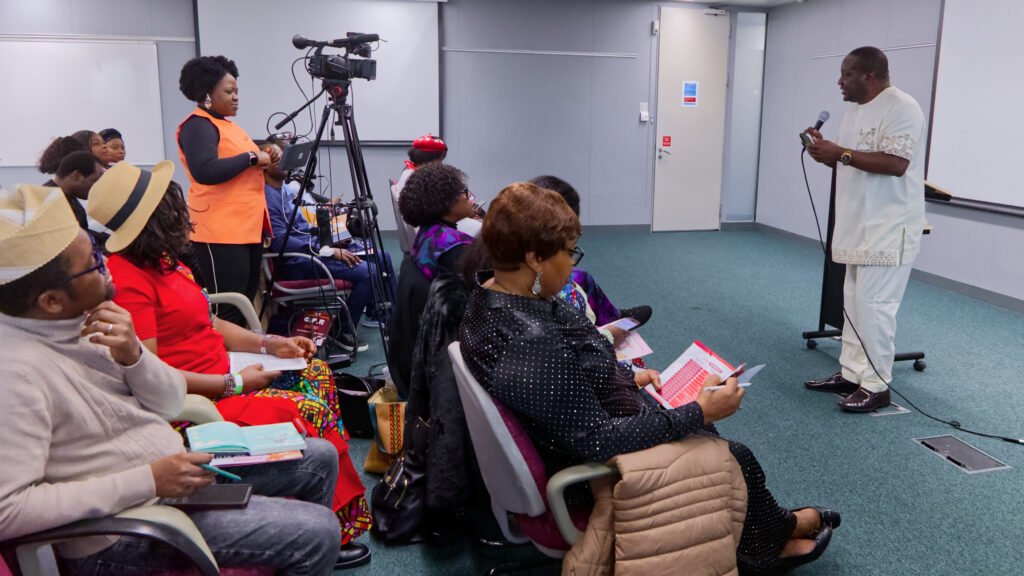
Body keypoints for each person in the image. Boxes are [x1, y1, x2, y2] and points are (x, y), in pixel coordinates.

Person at [459, 182, 840, 574]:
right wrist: (699, 411)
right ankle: (770, 543)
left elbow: (567, 375)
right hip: (588, 470)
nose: (572, 264)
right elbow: (597, 439)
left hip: (583, 422)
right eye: (568, 252)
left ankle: (771, 527)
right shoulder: (530, 341)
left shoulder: (495, 295)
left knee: (708, 435)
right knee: (731, 453)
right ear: (534, 258)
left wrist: (627, 377)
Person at [0, 184, 350, 575]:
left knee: (318, 458)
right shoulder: (15, 373)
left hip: (166, 477)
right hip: (121, 532)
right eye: (94, 263)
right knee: (318, 532)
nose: (106, 266)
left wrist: (134, 357)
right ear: (50, 300)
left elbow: (168, 401)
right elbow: (8, 512)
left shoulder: (85, 320)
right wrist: (149, 480)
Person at [84, 161, 373, 565]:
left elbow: (211, 321)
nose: (185, 213)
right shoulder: (129, 280)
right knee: (309, 408)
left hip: (225, 373)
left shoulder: (165, 261)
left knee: (318, 373)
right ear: (158, 218)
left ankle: (326, 517)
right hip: (196, 404)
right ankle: (322, 533)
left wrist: (270, 343)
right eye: (174, 207)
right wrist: (234, 383)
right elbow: (149, 375)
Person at [803, 46, 926, 412]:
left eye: (847, 74)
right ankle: (852, 373)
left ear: (869, 76)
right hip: (856, 224)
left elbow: (896, 164)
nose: (839, 81)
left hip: (888, 228)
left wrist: (839, 153)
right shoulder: (854, 111)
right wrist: (825, 153)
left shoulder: (902, 107)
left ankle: (876, 385)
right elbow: (852, 162)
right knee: (854, 308)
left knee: (875, 309)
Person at [261, 140, 395, 352]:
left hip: (314, 249)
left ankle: (389, 318)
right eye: (278, 159)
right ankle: (341, 331)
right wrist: (329, 250)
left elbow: (303, 227)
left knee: (380, 255)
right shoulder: (267, 196)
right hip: (298, 261)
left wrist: (331, 239)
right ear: (264, 166)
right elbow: (280, 242)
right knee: (368, 272)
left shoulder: (284, 190)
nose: (285, 162)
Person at [176, 55, 278, 326]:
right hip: (220, 231)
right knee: (229, 307)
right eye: (229, 91)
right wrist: (252, 157)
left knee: (244, 302)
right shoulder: (198, 125)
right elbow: (205, 170)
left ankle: (240, 352)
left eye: (237, 91)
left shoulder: (229, 126)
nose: (236, 97)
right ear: (207, 94)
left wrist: (268, 154)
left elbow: (244, 164)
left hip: (246, 228)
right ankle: (224, 354)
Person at [389, 162, 479, 396]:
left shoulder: (428, 237)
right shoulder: (456, 250)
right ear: (445, 202)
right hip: (437, 373)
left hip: (411, 360)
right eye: (464, 192)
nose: (469, 197)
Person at [529, 174, 652, 330]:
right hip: (584, 338)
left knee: (582, 276)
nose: (571, 261)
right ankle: (610, 323)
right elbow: (571, 341)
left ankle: (611, 316)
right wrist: (610, 335)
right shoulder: (540, 303)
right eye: (568, 251)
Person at [394, 134, 484, 237]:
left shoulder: (408, 172)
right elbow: (442, 210)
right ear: (434, 159)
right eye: (440, 161)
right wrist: (467, 211)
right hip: (438, 228)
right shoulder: (422, 179)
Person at [45, 151, 107, 243]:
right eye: (95, 181)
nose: (98, 188)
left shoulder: (66, 196)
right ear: (76, 176)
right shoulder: (51, 205)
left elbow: (84, 232)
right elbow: (72, 242)